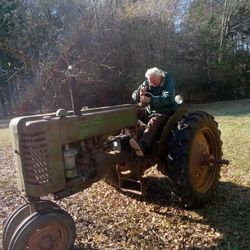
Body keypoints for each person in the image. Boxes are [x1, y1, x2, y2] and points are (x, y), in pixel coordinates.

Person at [129, 67, 177, 156]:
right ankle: (129, 137)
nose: (152, 83)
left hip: (166, 111)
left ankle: (144, 145)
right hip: (150, 110)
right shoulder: (148, 82)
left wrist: (151, 100)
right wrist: (139, 93)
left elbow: (168, 98)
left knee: (153, 121)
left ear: (160, 77)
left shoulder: (167, 80)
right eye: (150, 81)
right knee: (132, 113)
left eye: (154, 81)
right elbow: (134, 95)